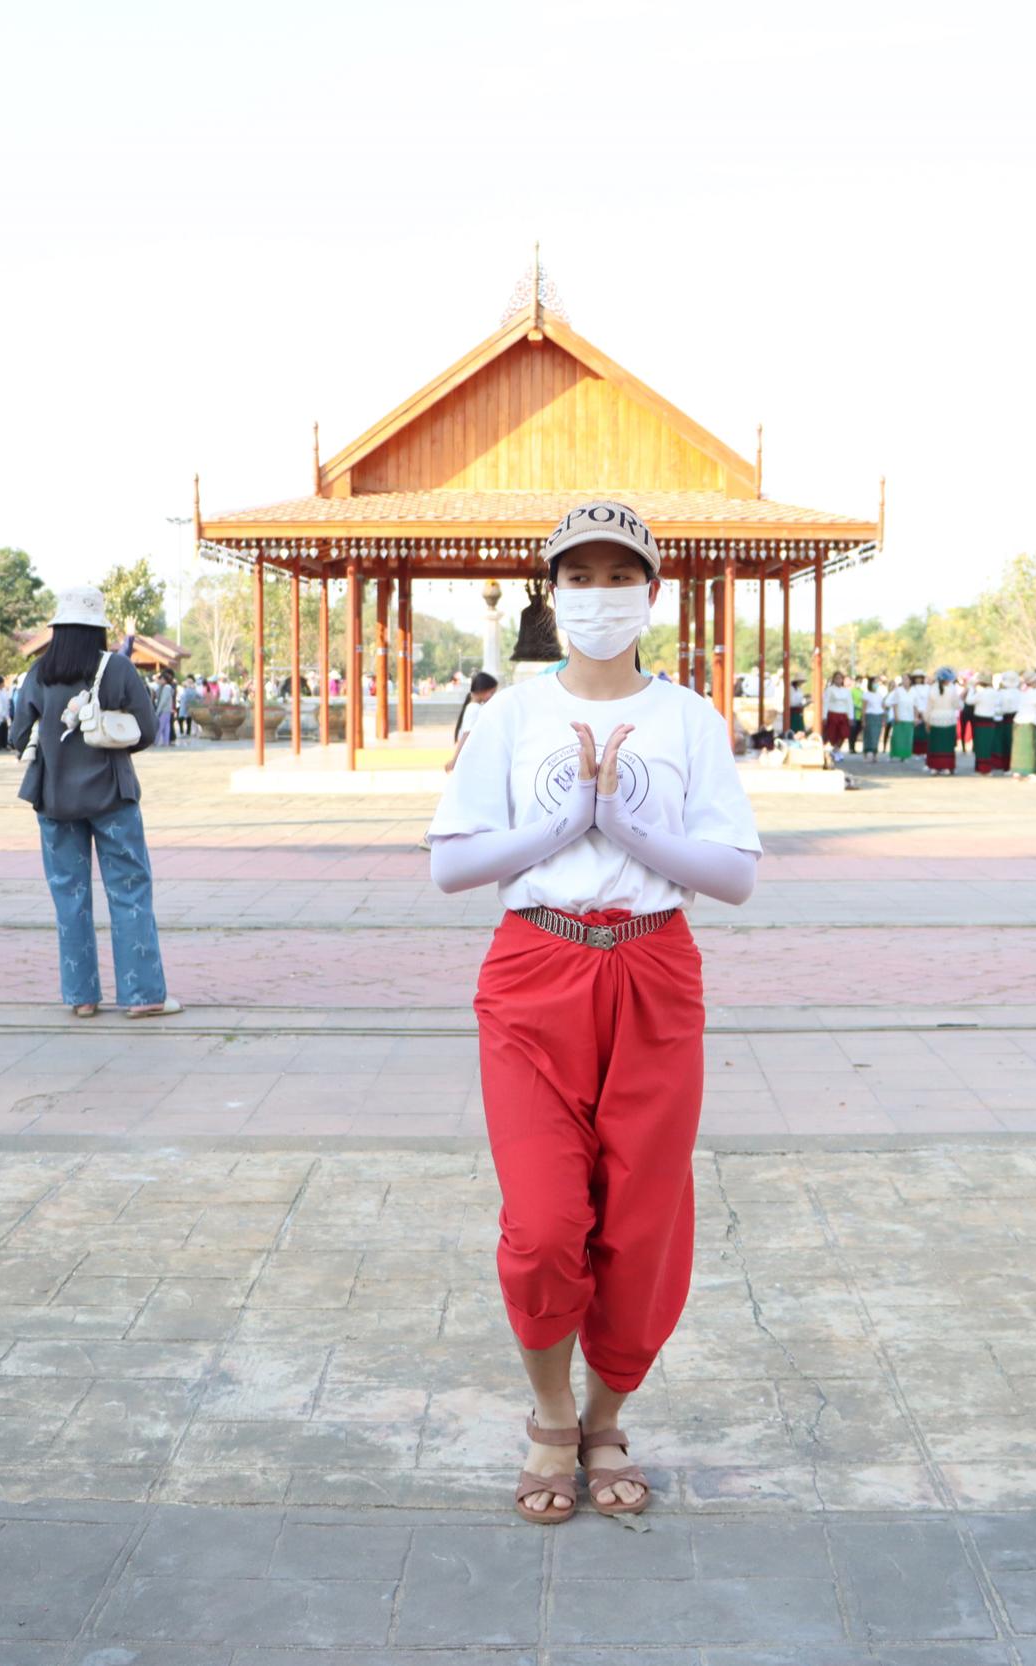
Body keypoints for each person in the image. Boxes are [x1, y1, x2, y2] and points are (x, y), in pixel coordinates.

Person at [428, 500, 760, 1524]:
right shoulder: (512, 716)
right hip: (537, 967)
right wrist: (562, 821)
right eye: (582, 575)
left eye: (622, 577)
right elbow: (450, 864)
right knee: (543, 1224)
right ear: (553, 592)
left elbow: (735, 875)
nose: (601, 594)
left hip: (654, 969)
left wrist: (627, 822)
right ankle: (547, 1410)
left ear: (651, 595)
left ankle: (607, 1413)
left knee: (643, 1222)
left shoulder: (689, 719)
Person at [12, 588, 172, 1019]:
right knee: (130, 890)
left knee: (69, 896)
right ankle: (144, 996)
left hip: (54, 800)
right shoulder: (116, 668)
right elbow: (147, 730)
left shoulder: (38, 673)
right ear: (99, 628)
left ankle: (81, 997)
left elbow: (16, 735)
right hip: (112, 797)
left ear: (58, 629)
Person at [447, 671, 500, 772]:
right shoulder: (474, 709)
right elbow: (466, 735)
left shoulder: (475, 707)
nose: (493, 696)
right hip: (473, 760)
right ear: (481, 690)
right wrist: (455, 760)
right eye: (492, 692)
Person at [820, 672, 853, 754]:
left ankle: (837, 748)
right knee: (832, 733)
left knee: (844, 733)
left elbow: (849, 704)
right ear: (833, 679)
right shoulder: (830, 690)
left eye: (840, 678)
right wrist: (824, 716)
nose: (838, 680)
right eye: (836, 678)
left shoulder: (846, 691)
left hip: (843, 714)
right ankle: (832, 749)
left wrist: (851, 717)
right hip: (833, 713)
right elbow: (826, 703)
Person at [860, 676, 889, 759]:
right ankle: (866, 751)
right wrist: (863, 720)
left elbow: (883, 707)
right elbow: (864, 708)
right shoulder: (866, 695)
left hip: (878, 717)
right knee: (869, 735)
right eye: (875, 682)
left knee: (876, 735)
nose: (876, 684)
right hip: (869, 716)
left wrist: (884, 718)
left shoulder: (879, 695)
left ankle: (875, 753)